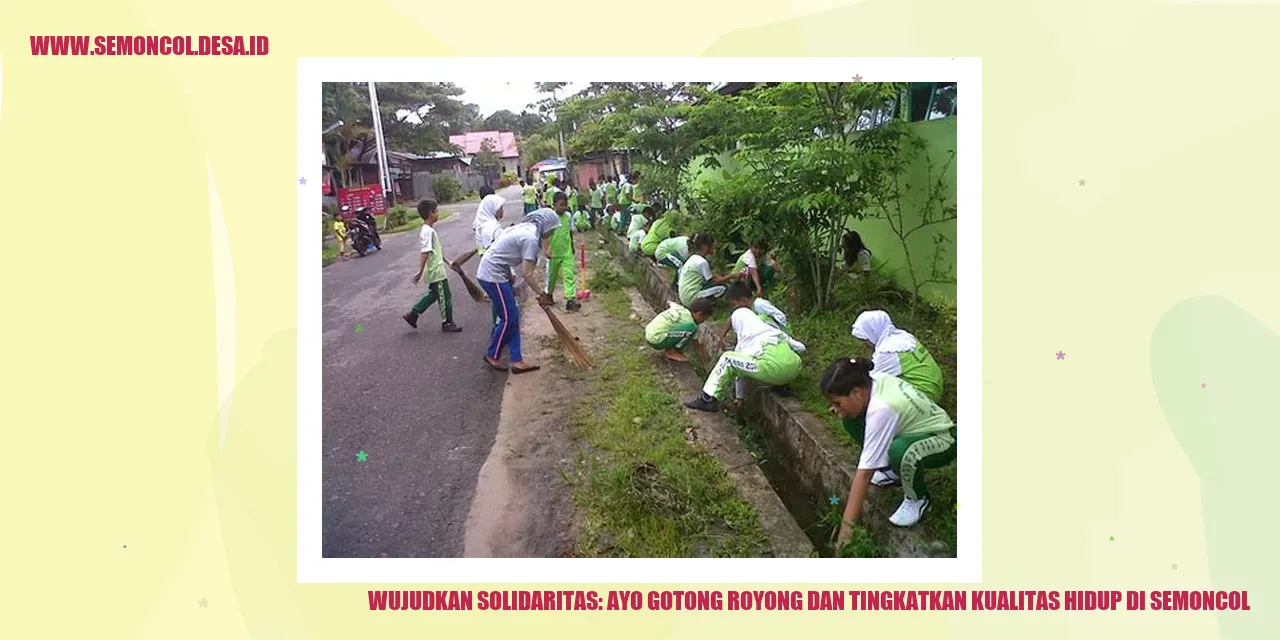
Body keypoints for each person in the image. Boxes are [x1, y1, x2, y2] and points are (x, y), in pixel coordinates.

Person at [820, 356, 956, 534]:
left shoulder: (882, 408)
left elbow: (864, 475)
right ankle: (891, 470)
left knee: (900, 451)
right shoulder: (873, 381)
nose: (833, 409)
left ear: (856, 393)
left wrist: (845, 533)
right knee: (851, 420)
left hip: (943, 439)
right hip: (911, 433)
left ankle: (918, 498)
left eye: (837, 403)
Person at [684, 282, 803, 413]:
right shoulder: (773, 330)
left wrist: (739, 397)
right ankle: (782, 384)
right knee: (774, 360)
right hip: (795, 368)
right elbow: (801, 348)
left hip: (773, 370)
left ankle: (707, 399)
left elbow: (738, 372)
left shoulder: (745, 342)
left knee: (728, 359)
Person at [475, 209, 560, 374]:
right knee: (509, 318)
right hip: (492, 276)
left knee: (512, 319)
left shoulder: (525, 229)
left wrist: (510, 283)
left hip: (498, 274)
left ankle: (517, 360)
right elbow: (527, 273)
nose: (552, 232)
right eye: (552, 228)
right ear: (546, 225)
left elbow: (502, 255)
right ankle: (492, 354)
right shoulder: (530, 238)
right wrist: (541, 294)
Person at [850, 310, 944, 404]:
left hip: (923, 396)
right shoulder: (903, 337)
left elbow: (868, 380)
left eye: (865, 339)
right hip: (933, 386)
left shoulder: (888, 351)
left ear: (872, 332)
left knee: (873, 394)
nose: (865, 344)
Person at [402, 199, 462, 333]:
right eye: (437, 211)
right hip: (436, 271)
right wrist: (420, 270)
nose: (438, 214)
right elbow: (425, 251)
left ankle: (413, 314)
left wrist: (448, 262)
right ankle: (447, 323)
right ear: (430, 213)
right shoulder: (427, 231)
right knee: (445, 297)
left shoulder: (429, 230)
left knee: (435, 294)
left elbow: (436, 251)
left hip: (437, 268)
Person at [645, 298, 714, 362]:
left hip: (649, 333)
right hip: (657, 340)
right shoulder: (690, 324)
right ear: (699, 314)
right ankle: (671, 352)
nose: (703, 321)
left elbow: (670, 302)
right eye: (705, 318)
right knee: (691, 328)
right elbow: (695, 343)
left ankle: (673, 350)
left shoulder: (680, 309)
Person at [677, 232, 735, 307]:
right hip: (690, 298)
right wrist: (731, 276)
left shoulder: (693, 258)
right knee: (722, 288)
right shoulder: (702, 262)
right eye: (712, 246)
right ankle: (703, 306)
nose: (713, 248)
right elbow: (713, 281)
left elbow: (711, 276)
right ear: (705, 247)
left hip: (685, 295)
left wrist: (724, 277)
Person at [545, 192, 581, 311]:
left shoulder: (568, 216)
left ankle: (570, 300)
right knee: (552, 276)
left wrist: (572, 246)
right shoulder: (549, 218)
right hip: (553, 253)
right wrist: (546, 250)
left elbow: (569, 232)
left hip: (566, 252)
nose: (563, 207)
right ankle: (549, 294)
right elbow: (544, 235)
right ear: (554, 205)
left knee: (569, 275)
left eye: (565, 205)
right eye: (560, 205)